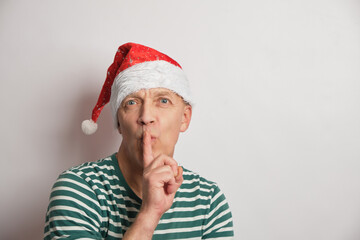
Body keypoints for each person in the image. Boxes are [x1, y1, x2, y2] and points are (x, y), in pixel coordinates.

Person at [44, 42, 234, 239]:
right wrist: (149, 214)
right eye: (132, 102)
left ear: (185, 118)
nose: (146, 116)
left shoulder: (208, 201)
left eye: (163, 101)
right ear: (118, 121)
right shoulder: (78, 189)